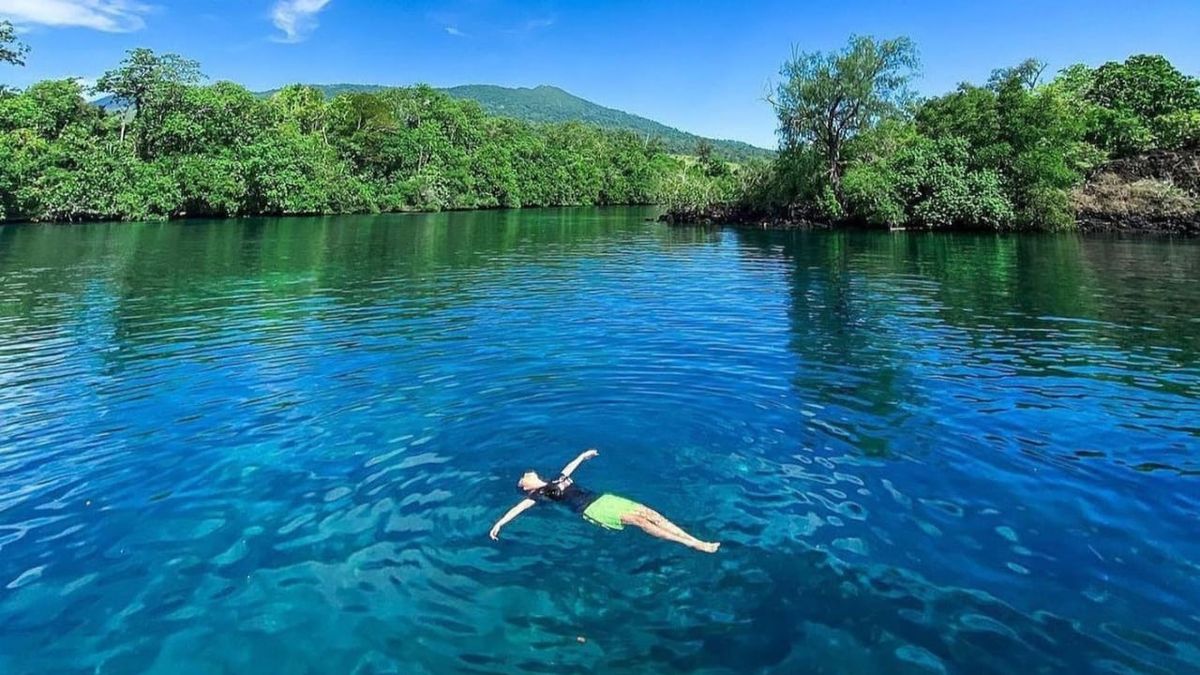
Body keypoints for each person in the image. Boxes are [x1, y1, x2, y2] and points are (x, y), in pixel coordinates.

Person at [488, 449, 721, 553]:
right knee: (641, 522)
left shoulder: (558, 478)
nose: (525, 474)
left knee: (651, 514)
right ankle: (694, 545)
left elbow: (570, 467)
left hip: (604, 498)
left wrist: (583, 456)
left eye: (525, 474)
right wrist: (499, 524)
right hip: (592, 509)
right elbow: (517, 509)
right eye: (522, 478)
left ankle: (694, 539)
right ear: (525, 487)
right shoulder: (537, 496)